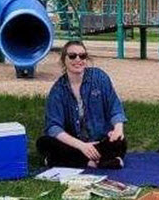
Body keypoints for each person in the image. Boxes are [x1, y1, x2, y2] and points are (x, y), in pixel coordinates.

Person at [36, 40, 128, 169]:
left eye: (82, 56)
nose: (78, 59)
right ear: (64, 60)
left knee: (120, 141)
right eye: (72, 56)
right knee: (44, 143)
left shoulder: (100, 77)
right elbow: (53, 127)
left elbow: (114, 107)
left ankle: (69, 161)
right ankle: (97, 162)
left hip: (100, 141)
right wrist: (81, 146)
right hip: (75, 144)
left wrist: (118, 129)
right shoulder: (58, 90)